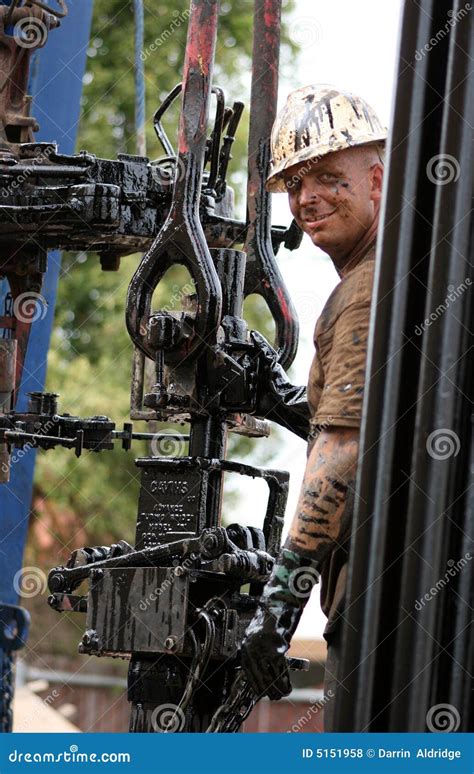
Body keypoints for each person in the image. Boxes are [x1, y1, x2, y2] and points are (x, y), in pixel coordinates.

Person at [241, 84, 387, 730]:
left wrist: (276, 613)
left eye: (329, 176)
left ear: (377, 180)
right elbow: (373, 427)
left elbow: (345, 453)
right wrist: (276, 398)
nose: (307, 198)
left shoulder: (364, 289)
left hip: (382, 601)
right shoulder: (397, 271)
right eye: (295, 184)